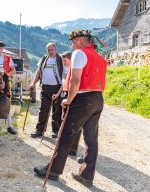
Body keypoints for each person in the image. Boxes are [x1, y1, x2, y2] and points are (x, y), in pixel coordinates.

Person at [33, 30, 107, 187]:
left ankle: (52, 171)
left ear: (81, 41)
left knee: (65, 134)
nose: (72, 45)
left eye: (73, 41)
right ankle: (87, 175)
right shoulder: (100, 57)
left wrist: (69, 99)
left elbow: (75, 79)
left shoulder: (79, 53)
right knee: (91, 139)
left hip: (82, 98)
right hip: (98, 98)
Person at [29, 43, 63, 138]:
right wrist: (33, 83)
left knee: (57, 111)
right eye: (48, 50)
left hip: (57, 88)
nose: (50, 52)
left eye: (51, 49)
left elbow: (65, 74)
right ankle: (39, 131)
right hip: (45, 88)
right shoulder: (44, 59)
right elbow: (39, 72)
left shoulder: (60, 59)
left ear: (55, 49)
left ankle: (55, 131)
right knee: (43, 110)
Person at [0, 41, 17, 135]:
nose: (1, 49)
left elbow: (13, 70)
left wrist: (6, 75)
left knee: (7, 103)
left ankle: (9, 126)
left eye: (2, 48)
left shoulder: (7, 58)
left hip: (6, 83)